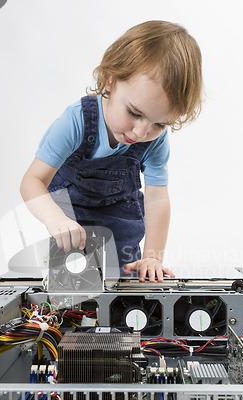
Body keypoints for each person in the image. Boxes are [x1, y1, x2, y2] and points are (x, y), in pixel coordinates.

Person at [20, 20, 203, 282]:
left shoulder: (155, 141)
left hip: (120, 218)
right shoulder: (75, 122)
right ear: (110, 81)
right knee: (73, 286)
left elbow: (156, 198)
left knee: (124, 284)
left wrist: (153, 256)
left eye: (159, 123)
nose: (141, 132)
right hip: (69, 214)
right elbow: (33, 180)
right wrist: (55, 220)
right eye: (134, 113)